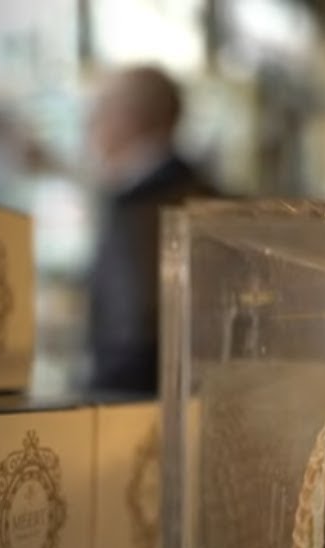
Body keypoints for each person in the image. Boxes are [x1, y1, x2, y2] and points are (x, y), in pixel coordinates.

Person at [87, 66, 215, 395]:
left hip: (144, 413)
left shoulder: (138, 208)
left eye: (101, 109)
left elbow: (130, 340)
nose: (91, 123)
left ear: (128, 119)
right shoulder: (205, 192)